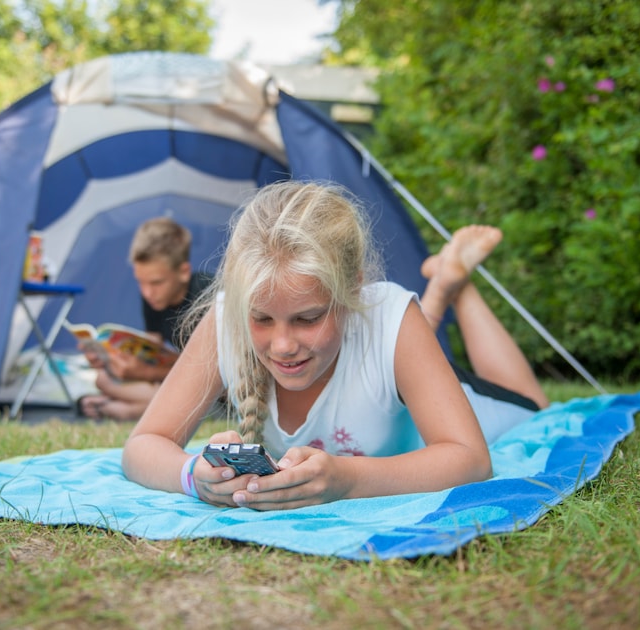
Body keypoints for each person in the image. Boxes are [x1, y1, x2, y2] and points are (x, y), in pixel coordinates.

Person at [121, 181, 548, 510]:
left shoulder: (388, 314)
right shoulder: (225, 318)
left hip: (480, 406)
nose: (283, 345)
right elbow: (143, 446)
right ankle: (444, 284)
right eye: (262, 318)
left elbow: (471, 460)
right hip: (394, 372)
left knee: (535, 405)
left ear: (353, 289)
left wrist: (347, 478)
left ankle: (457, 285)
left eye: (308, 318)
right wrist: (192, 474)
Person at [78, 217, 211, 421]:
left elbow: (206, 375)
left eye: (156, 283)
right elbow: (152, 351)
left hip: (212, 390)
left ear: (183, 272)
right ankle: (121, 405)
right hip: (175, 382)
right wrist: (108, 359)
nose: (148, 292)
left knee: (169, 401)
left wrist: (148, 373)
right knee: (104, 379)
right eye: (141, 282)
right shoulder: (154, 299)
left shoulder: (206, 296)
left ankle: (117, 409)